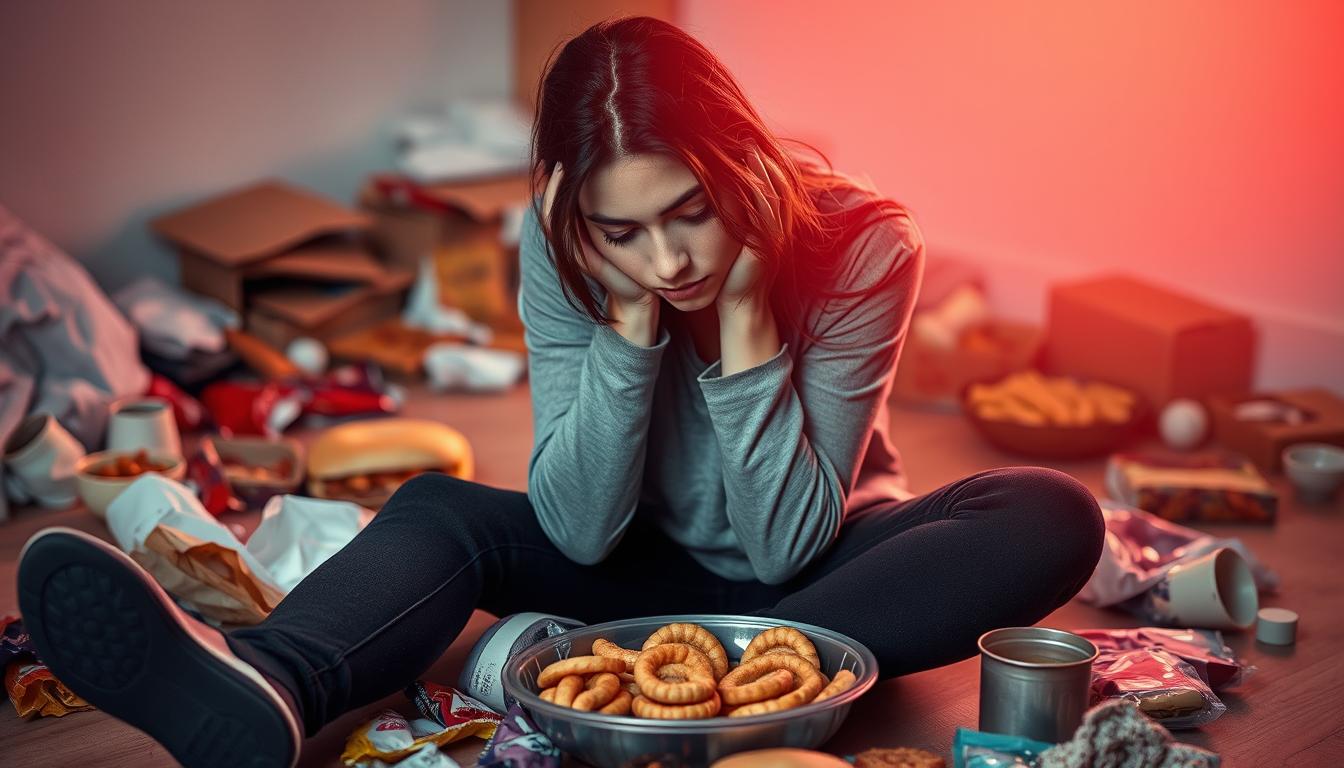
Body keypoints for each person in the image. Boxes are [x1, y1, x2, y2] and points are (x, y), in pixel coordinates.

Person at [16, 16, 1103, 767]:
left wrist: (747, 333)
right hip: (634, 560)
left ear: (740, 165)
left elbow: (778, 546)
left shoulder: (864, 242)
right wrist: (628, 337)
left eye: (690, 211)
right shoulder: (561, 238)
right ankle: (264, 685)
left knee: (1051, 511)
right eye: (623, 231)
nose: (669, 260)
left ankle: (671, 689)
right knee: (441, 507)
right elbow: (578, 529)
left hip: (824, 565)